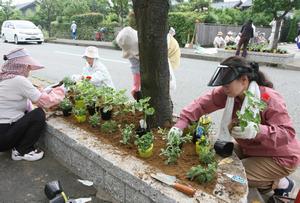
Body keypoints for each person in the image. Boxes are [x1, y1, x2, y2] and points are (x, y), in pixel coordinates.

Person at [168, 56, 300, 198]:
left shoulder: (268, 98)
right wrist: (180, 126)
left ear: (244, 80)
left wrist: (256, 130)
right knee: (213, 156)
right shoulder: (230, 93)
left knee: (230, 177)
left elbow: (287, 133)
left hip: (279, 157)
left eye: (227, 85)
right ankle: (261, 174)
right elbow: (201, 104)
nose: (223, 89)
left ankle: (276, 183)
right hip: (251, 149)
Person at [0, 48, 65, 161]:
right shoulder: (19, 80)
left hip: (3, 133)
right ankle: (21, 151)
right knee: (38, 114)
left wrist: (41, 92)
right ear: (21, 66)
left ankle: (17, 146)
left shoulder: (4, 77)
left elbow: (28, 100)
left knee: (27, 112)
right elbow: (46, 102)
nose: (30, 69)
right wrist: (62, 92)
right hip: (4, 137)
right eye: (28, 66)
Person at [116, 26, 178, 100]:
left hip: (171, 49)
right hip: (150, 53)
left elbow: (165, 70)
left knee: (158, 78)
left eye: (136, 52)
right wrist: (136, 86)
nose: (134, 55)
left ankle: (162, 100)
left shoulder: (153, 44)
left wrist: (167, 84)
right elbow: (135, 67)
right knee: (149, 77)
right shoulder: (130, 51)